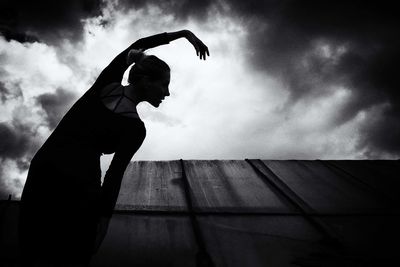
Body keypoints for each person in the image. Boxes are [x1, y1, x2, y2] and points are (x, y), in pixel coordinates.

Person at [18, 30, 209, 266]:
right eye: (164, 84)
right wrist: (184, 34)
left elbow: (114, 176)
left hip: (61, 173)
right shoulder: (126, 115)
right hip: (66, 179)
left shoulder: (132, 124)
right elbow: (113, 176)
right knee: (51, 249)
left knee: (39, 247)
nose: (167, 92)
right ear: (145, 80)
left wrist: (102, 219)